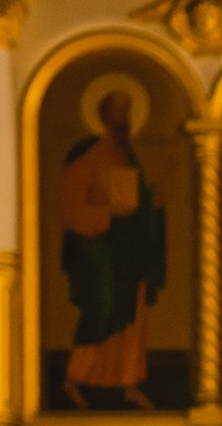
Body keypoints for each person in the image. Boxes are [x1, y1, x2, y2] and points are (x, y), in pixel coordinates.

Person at [57, 85, 170, 406]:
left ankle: (129, 383)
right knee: (102, 313)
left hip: (128, 254)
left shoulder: (126, 155)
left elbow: (133, 200)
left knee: (132, 318)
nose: (124, 118)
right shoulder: (87, 156)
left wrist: (151, 201)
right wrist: (108, 212)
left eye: (127, 112)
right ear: (104, 116)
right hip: (101, 255)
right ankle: (73, 380)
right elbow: (70, 209)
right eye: (119, 112)